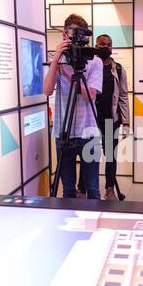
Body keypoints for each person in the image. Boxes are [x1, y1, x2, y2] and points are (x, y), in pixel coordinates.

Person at [43, 14, 103, 199]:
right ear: (64, 35)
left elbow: (89, 95)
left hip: (88, 131)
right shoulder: (57, 59)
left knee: (92, 188)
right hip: (63, 131)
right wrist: (56, 61)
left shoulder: (93, 60)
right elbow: (47, 91)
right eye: (72, 35)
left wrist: (70, 73)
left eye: (80, 36)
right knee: (68, 190)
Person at [77, 34, 130, 200]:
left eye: (108, 44)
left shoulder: (118, 69)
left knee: (110, 156)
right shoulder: (88, 66)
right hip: (90, 118)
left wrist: (126, 121)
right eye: (102, 44)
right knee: (88, 153)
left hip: (110, 119)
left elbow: (123, 96)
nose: (105, 47)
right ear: (95, 45)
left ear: (111, 48)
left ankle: (109, 189)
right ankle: (82, 187)